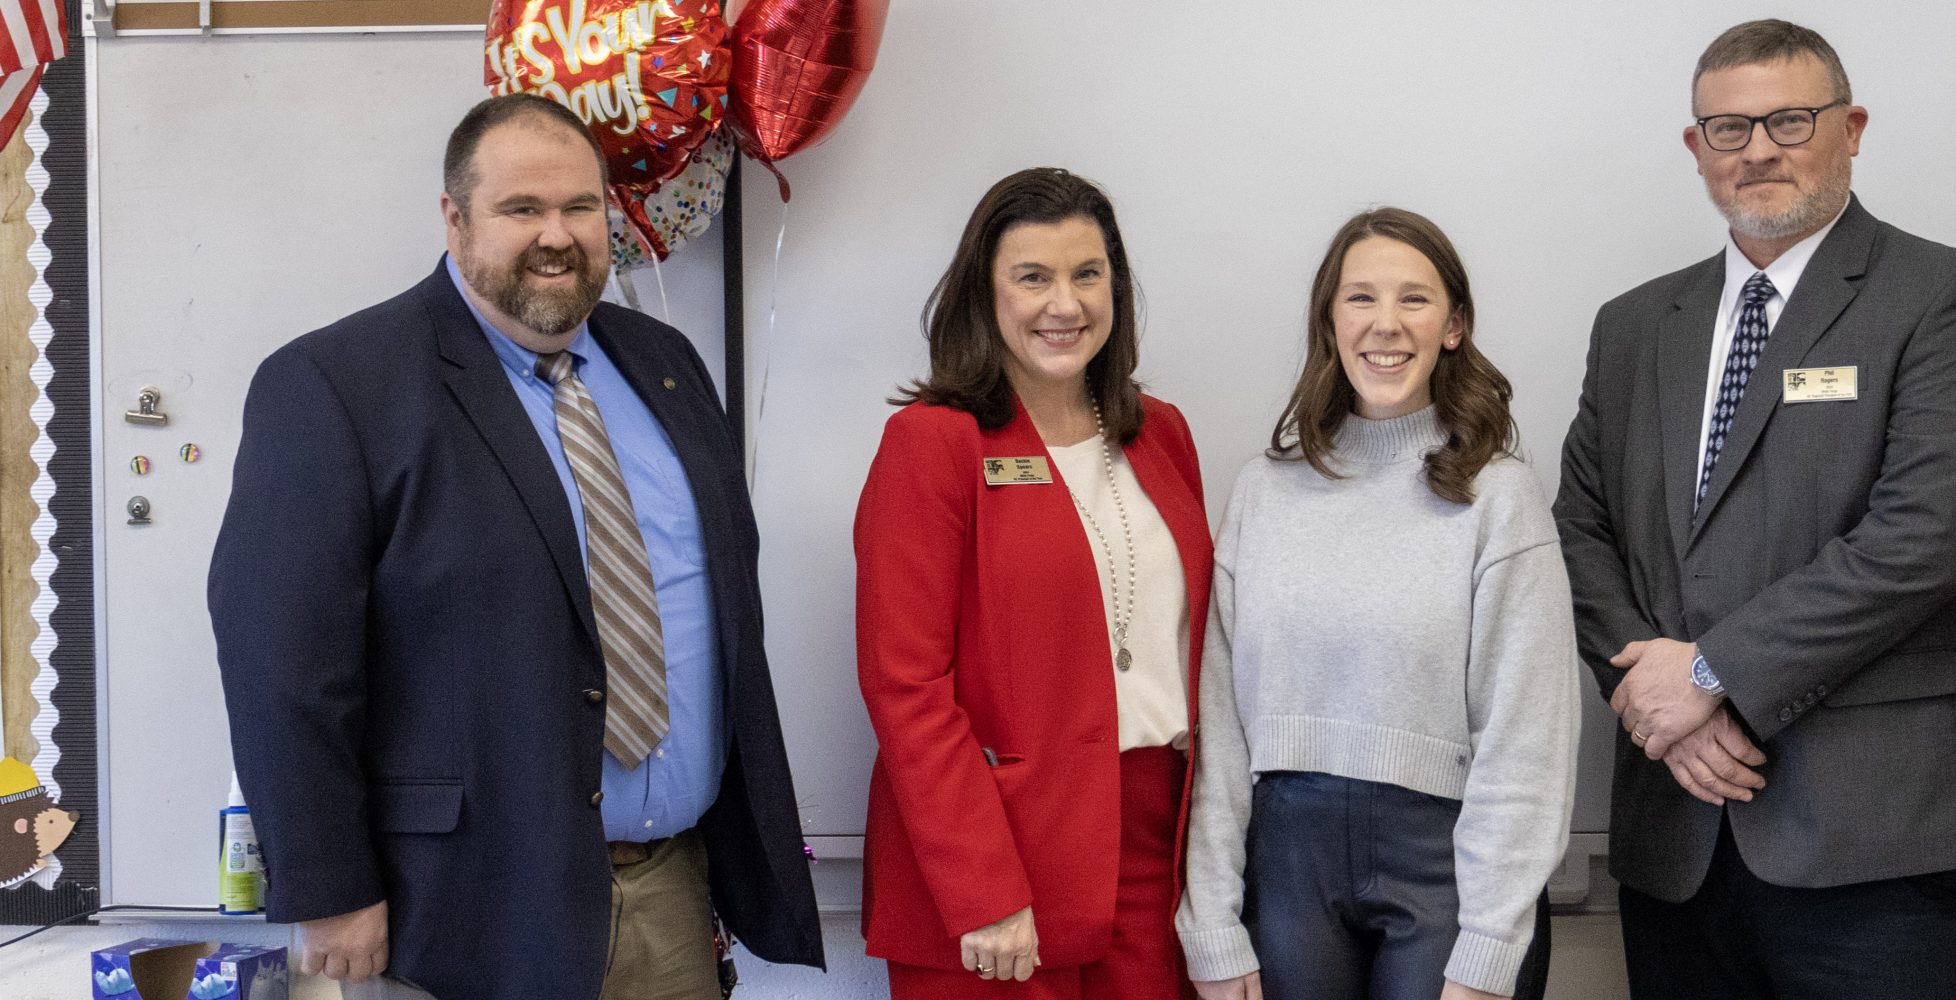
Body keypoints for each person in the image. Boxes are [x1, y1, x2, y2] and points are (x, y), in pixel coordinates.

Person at [208, 93, 822, 1000]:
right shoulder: (337, 385)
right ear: (454, 219)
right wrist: (330, 887)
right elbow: (282, 666)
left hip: (671, 892)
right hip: (459, 911)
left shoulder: (665, 363)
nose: (557, 235)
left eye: (581, 206)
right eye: (521, 208)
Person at [1552, 18, 1956, 999]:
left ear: (1850, 129)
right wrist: (1662, 704)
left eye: (1790, 120)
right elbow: (1580, 531)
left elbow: (1920, 540)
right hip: (1678, 828)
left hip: (1877, 835)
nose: (1758, 150)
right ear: (1696, 149)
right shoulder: (1634, 325)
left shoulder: (1951, 298)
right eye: (1729, 129)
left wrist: (1708, 672)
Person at [1177, 207, 1578, 1000]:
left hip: (1446, 868)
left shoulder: (1500, 497)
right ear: (1329, 320)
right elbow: (1218, 724)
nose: (1385, 323)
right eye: (1360, 297)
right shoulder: (1263, 492)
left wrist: (1491, 946)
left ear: (1454, 326)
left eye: (1414, 299)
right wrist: (1212, 923)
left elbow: (1527, 737)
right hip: (1286, 866)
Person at [853, 167, 1212, 999]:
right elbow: (905, 687)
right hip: (996, 858)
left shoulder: (1161, 434)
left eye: (1087, 274)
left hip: (1155, 852)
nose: (1065, 304)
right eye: (1033, 277)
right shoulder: (932, 445)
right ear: (985, 293)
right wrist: (983, 887)